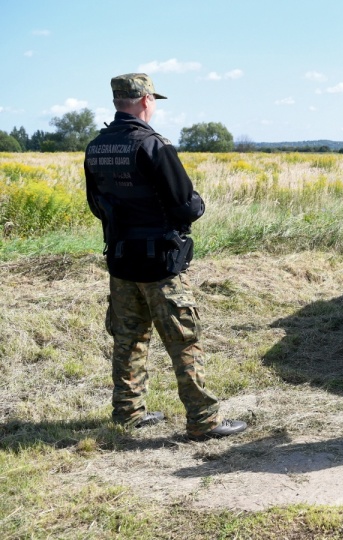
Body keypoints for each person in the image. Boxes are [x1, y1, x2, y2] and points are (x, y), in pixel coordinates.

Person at [84, 73, 246, 441]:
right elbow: (186, 206)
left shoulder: (96, 147)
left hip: (122, 259)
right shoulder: (153, 145)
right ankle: (203, 420)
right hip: (160, 264)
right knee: (183, 338)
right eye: (153, 99)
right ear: (144, 101)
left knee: (128, 338)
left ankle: (128, 413)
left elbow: (96, 205)